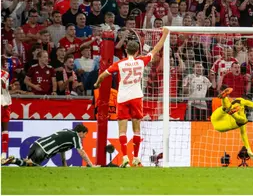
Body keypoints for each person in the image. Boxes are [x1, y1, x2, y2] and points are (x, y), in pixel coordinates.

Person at [93, 28, 170, 168]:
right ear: (137, 52)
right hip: (136, 97)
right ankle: (135, 158)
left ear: (126, 50)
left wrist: (97, 83)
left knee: (122, 130)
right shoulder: (141, 61)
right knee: (137, 129)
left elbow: (103, 75)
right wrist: (165, 34)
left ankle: (124, 158)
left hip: (122, 97)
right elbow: (156, 48)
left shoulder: (119, 63)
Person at [210, 88, 253, 161]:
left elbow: (247, 103)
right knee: (243, 120)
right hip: (221, 126)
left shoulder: (237, 101)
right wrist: (249, 149)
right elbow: (243, 135)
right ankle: (231, 111)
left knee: (227, 106)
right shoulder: (243, 113)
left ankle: (224, 98)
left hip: (215, 117)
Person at [2, 124, 95, 167]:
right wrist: (91, 165)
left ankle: (13, 160)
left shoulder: (67, 131)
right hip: (43, 150)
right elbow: (81, 152)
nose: (85, 137)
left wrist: (64, 164)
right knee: (32, 167)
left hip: (36, 144)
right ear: (81, 132)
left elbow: (61, 149)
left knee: (28, 164)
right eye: (85, 134)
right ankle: (14, 160)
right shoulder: (75, 136)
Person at [1, 67, 11, 163]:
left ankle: (3, 155)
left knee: (5, 129)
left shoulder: (4, 73)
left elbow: (1, 82)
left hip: (3, 103)